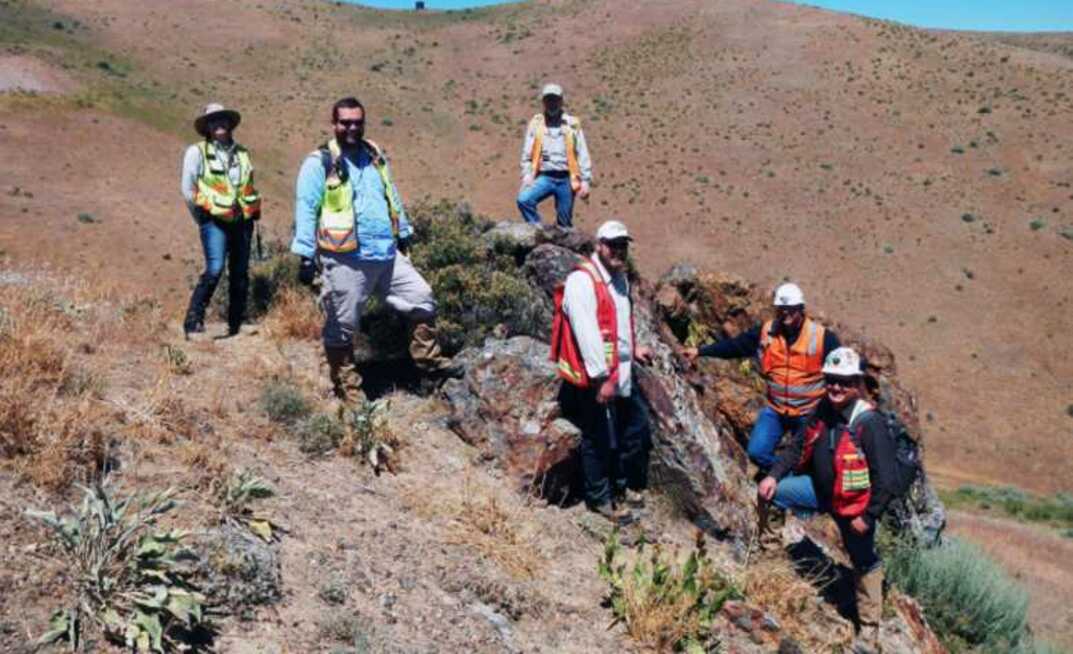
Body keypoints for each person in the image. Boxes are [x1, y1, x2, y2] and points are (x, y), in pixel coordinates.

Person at [291, 97, 461, 404]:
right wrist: (305, 254)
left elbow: (390, 193)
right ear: (334, 125)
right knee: (342, 325)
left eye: (357, 121)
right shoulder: (320, 162)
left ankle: (429, 363)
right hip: (345, 258)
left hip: (385, 252)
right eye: (345, 122)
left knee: (421, 298)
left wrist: (404, 231)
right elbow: (306, 207)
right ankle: (349, 390)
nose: (352, 127)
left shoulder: (374, 155)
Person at [758, 347, 897, 652]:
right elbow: (795, 449)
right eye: (830, 379)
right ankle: (767, 557)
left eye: (843, 381)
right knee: (772, 494)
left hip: (854, 508)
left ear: (857, 383)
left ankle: (869, 630)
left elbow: (887, 479)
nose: (835, 387)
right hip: (819, 492)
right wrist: (773, 476)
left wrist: (869, 516)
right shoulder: (822, 409)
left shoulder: (869, 423)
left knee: (864, 561)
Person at [551, 220, 653, 523]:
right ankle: (600, 499)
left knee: (634, 427)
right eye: (612, 244)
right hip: (596, 376)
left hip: (620, 371)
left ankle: (620, 485)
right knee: (596, 435)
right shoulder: (583, 281)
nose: (618, 250)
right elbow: (587, 333)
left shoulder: (619, 278)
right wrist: (602, 379)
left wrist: (633, 350)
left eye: (623, 244)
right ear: (599, 245)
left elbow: (618, 322)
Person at [682, 283, 840, 471]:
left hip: (809, 412)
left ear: (800, 309)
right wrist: (700, 351)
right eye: (781, 309)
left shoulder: (822, 337)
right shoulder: (766, 332)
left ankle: (793, 483)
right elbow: (735, 346)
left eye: (790, 309)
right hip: (776, 409)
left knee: (810, 459)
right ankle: (784, 479)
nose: (785, 314)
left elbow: (844, 369)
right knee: (757, 452)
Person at [181, 103, 261, 338]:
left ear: (229, 123)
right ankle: (193, 321)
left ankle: (236, 324)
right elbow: (188, 189)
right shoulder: (197, 152)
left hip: (242, 220)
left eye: (222, 119)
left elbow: (248, 184)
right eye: (213, 121)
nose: (219, 124)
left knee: (240, 272)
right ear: (206, 127)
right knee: (215, 269)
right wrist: (202, 218)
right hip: (214, 220)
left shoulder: (242, 153)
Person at [516, 83, 592, 228]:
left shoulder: (572, 124)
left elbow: (582, 152)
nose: (552, 103)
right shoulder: (536, 124)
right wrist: (527, 174)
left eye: (555, 99)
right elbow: (527, 153)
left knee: (564, 223)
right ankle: (540, 232)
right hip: (544, 176)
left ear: (561, 101)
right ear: (543, 102)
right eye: (548, 100)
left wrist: (586, 181)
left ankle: (564, 246)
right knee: (524, 200)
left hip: (567, 178)